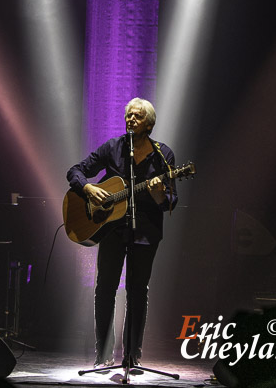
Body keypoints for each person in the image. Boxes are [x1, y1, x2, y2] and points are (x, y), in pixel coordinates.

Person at [66, 97, 178, 370]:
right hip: (112, 229)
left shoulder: (164, 155)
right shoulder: (112, 147)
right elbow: (75, 171)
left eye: (137, 116)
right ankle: (103, 354)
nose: (130, 119)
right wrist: (88, 189)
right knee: (105, 289)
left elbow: (172, 200)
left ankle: (131, 355)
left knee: (137, 291)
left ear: (149, 124)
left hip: (146, 232)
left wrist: (160, 193)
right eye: (128, 115)